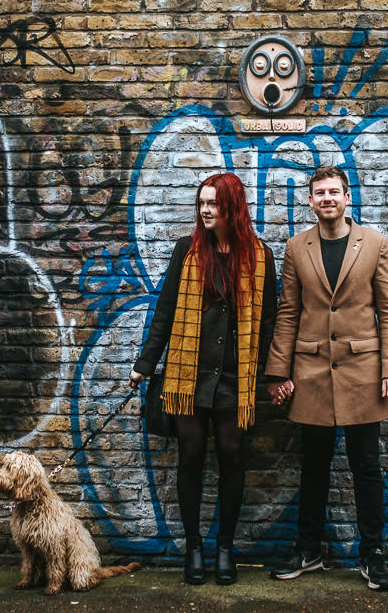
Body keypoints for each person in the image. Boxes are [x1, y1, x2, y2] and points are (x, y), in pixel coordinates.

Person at [128, 172, 277, 586]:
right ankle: (194, 547)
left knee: (232, 454)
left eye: (213, 203)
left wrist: (274, 374)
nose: (205, 210)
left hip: (236, 375)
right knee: (191, 454)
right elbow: (165, 309)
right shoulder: (187, 251)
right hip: (187, 372)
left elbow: (268, 323)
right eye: (201, 203)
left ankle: (224, 547)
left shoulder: (260, 256)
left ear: (233, 207)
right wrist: (145, 362)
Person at [265, 166, 388, 592]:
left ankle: (372, 555)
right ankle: (308, 550)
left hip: (363, 372)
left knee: (365, 467)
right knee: (313, 467)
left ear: (348, 198)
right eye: (319, 193)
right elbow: (289, 311)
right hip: (310, 373)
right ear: (310, 201)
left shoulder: (375, 243)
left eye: (333, 192)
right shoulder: (296, 247)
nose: (326, 198)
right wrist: (277, 372)